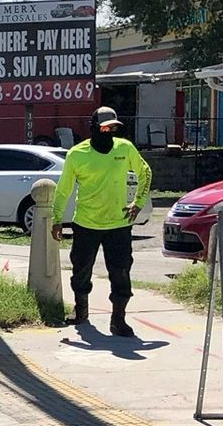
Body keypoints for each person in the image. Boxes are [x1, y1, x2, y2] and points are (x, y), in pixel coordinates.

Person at [52, 104, 153, 337]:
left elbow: (144, 171)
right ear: (93, 129)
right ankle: (81, 311)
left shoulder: (125, 148)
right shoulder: (77, 154)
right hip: (86, 224)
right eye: (104, 128)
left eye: (113, 129)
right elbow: (63, 190)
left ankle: (118, 319)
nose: (109, 133)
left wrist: (138, 202)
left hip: (119, 224)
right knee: (81, 270)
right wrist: (57, 219)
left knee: (121, 272)